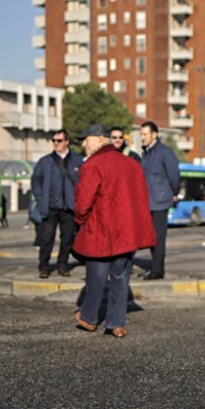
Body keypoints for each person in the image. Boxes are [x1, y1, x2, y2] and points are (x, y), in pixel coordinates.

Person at [72, 125, 156, 337]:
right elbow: (141, 198)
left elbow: (82, 204)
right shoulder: (131, 164)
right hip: (127, 232)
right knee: (120, 278)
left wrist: (80, 220)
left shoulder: (93, 165)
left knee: (96, 279)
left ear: (100, 139)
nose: (83, 144)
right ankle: (116, 324)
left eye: (86, 139)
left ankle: (89, 318)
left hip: (101, 231)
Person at [31, 129, 83, 278]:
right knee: (46, 238)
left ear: (67, 142)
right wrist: (41, 200)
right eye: (54, 140)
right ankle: (44, 266)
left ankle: (62, 265)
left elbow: (84, 183)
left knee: (67, 239)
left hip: (69, 208)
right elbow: (36, 181)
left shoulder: (78, 160)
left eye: (59, 140)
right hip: (50, 207)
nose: (56, 143)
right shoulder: (45, 161)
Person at [139, 121, 180, 280]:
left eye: (145, 134)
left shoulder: (165, 152)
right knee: (149, 238)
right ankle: (154, 268)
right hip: (146, 202)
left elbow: (174, 176)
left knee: (157, 238)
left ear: (154, 135)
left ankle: (157, 271)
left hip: (160, 201)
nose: (142, 137)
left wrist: (174, 193)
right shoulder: (146, 153)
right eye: (141, 134)